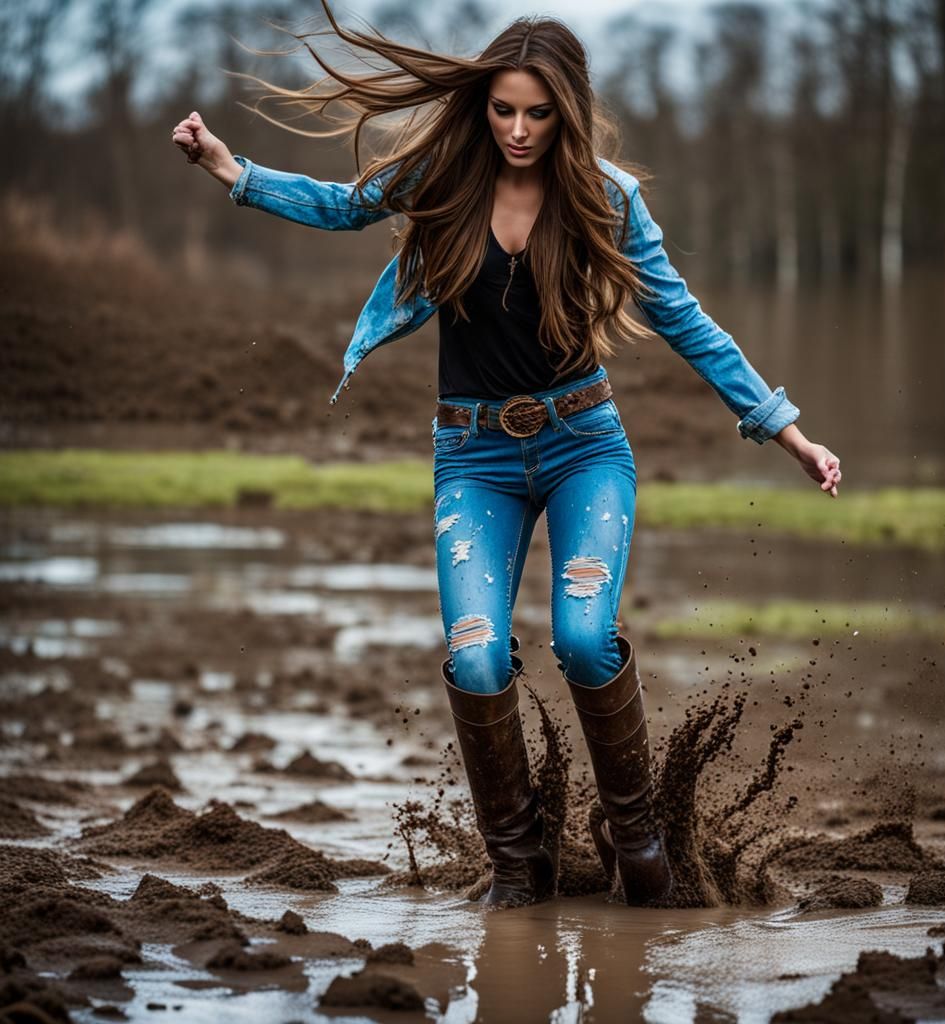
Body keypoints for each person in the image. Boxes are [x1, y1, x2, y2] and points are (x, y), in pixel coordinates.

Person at [171, 9, 841, 910]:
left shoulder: (607, 199)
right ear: (481, 106)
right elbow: (341, 206)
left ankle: (638, 841)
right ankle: (520, 864)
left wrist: (786, 430)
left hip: (583, 445)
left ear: (568, 112)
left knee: (583, 638)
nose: (518, 130)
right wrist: (232, 170)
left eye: (537, 114)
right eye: (502, 110)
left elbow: (686, 320)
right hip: (473, 456)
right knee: (478, 658)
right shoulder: (443, 177)